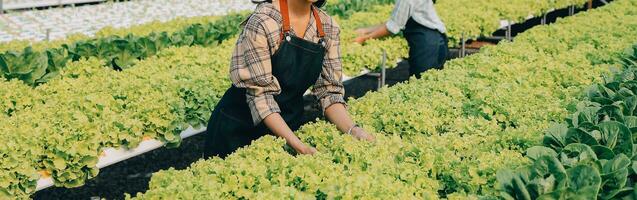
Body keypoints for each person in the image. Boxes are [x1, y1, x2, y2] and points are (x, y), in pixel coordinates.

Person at [204, 0, 375, 158]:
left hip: (287, 126)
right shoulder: (264, 22)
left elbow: (329, 92)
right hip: (238, 129)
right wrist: (298, 145)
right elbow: (261, 97)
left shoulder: (327, 27)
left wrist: (353, 130)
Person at [354, 0, 448, 79]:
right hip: (434, 40)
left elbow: (392, 27)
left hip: (428, 44)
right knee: (428, 82)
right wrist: (366, 30)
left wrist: (364, 38)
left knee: (421, 83)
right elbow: (395, 21)